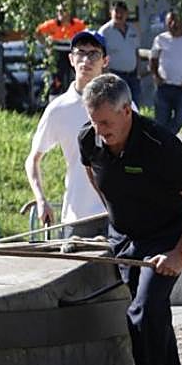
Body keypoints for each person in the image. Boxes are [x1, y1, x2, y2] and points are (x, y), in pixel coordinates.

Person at [80, 72, 182, 365]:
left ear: (127, 110)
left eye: (107, 122)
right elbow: (92, 172)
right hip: (124, 236)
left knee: (142, 310)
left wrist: (179, 253)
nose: (100, 131)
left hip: (167, 235)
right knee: (152, 311)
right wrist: (115, 213)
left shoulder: (162, 146)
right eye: (94, 122)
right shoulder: (89, 139)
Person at [26, 30, 111, 235]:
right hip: (77, 217)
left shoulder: (120, 102)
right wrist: (41, 200)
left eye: (94, 54)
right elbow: (33, 160)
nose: (86, 60)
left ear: (105, 61)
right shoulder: (59, 108)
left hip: (118, 216)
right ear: (71, 59)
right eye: (80, 53)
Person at [151, 10, 182, 134]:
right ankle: (163, 145)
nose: (173, 24)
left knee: (180, 119)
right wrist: (156, 76)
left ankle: (165, 139)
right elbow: (153, 59)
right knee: (160, 121)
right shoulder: (160, 39)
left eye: (176, 21)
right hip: (164, 87)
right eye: (169, 21)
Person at [98, 0, 142, 103]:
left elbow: (136, 52)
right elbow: (100, 55)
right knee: (117, 105)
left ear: (127, 14)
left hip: (133, 75)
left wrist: (139, 72)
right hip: (115, 75)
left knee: (135, 105)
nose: (119, 14)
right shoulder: (104, 31)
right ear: (111, 12)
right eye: (116, 11)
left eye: (122, 12)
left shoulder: (133, 30)